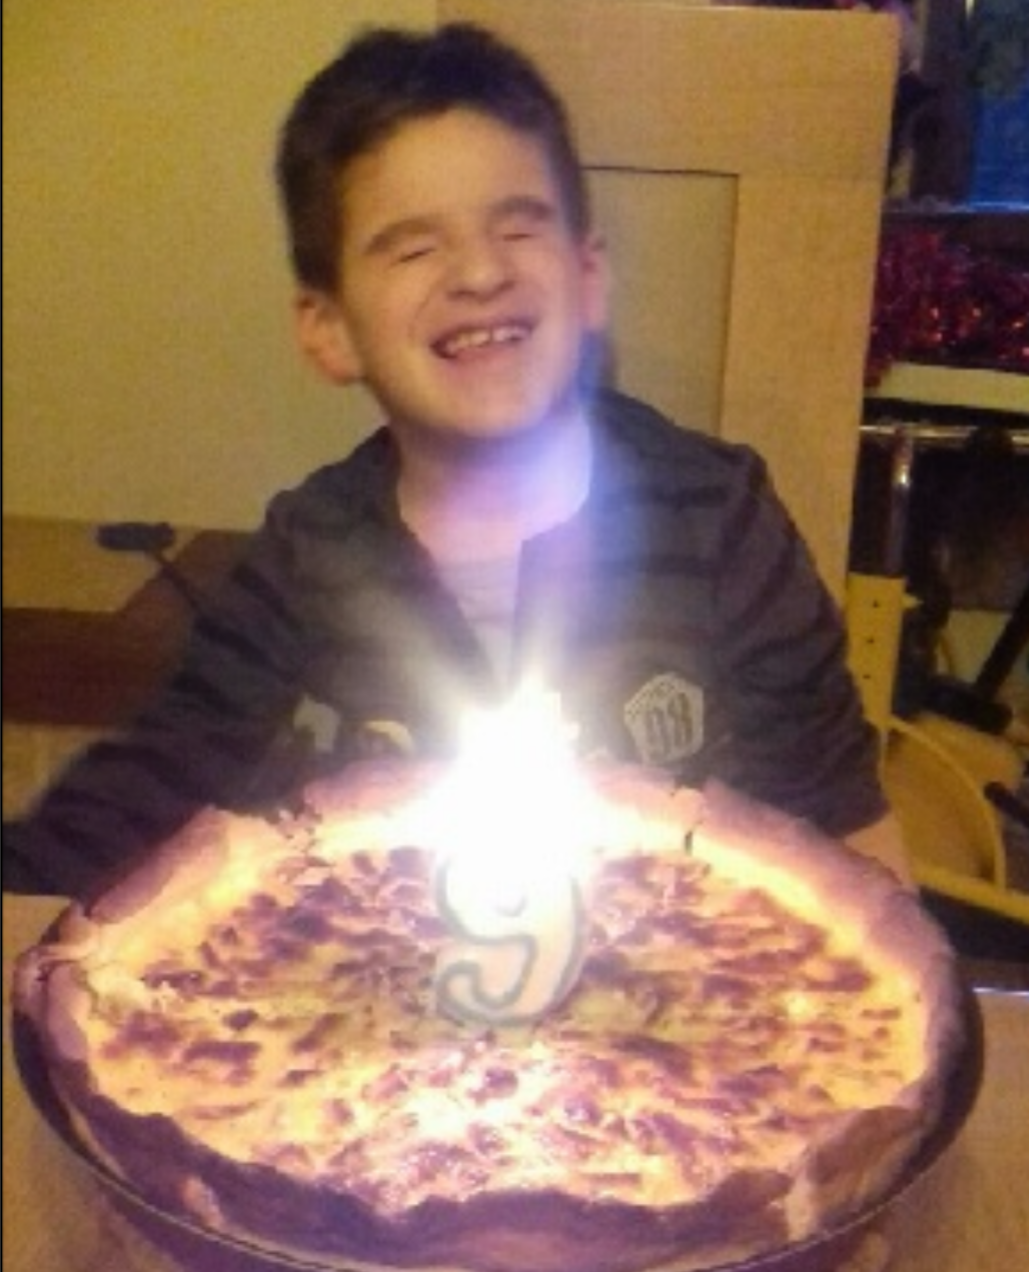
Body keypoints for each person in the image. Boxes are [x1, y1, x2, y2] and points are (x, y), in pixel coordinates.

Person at [2, 21, 909, 901]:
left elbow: (845, 844)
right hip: (360, 993)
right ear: (328, 329)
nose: (479, 272)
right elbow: (129, 806)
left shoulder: (719, 519)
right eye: (413, 245)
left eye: (517, 228)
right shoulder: (309, 550)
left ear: (588, 276)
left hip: (695, 990)